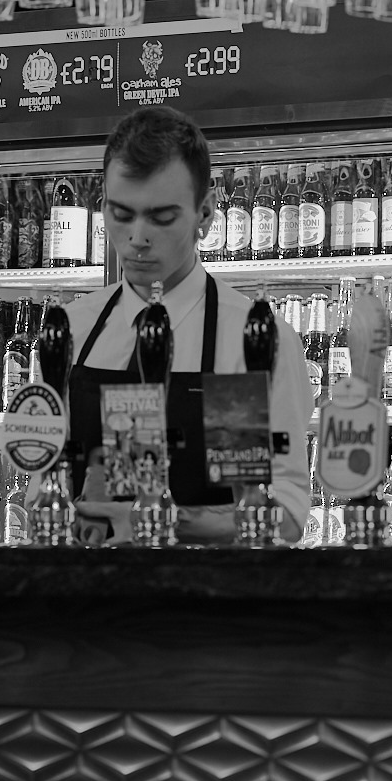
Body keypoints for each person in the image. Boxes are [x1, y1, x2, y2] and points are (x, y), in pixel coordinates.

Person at [68, 106, 309, 543]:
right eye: (121, 215)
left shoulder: (248, 341)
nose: (137, 238)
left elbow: (287, 516)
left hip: (205, 586)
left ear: (205, 214)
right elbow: (39, 488)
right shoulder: (74, 330)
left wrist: (159, 522)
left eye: (162, 218)